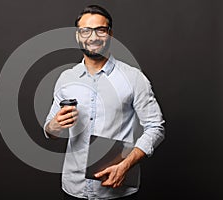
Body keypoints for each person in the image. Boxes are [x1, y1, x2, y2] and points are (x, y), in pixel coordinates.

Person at [43, 5, 165, 200]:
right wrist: (54, 126)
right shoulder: (66, 78)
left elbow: (155, 127)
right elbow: (50, 130)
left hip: (118, 191)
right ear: (78, 35)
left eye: (100, 30)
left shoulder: (133, 78)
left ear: (110, 34)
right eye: (86, 31)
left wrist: (126, 165)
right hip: (73, 189)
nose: (93, 37)